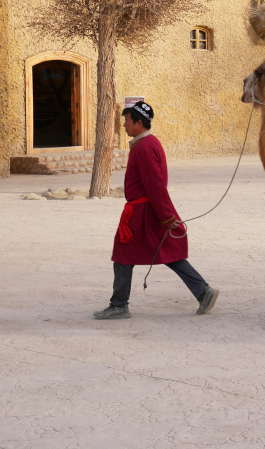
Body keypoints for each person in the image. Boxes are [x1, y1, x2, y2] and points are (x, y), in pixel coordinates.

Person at [93, 101, 218, 320]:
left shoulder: (144, 147)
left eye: (127, 121)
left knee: (123, 254)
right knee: (167, 252)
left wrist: (167, 216)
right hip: (149, 210)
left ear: (139, 123)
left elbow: (155, 185)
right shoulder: (149, 143)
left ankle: (119, 306)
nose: (124, 125)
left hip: (143, 212)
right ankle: (203, 291)